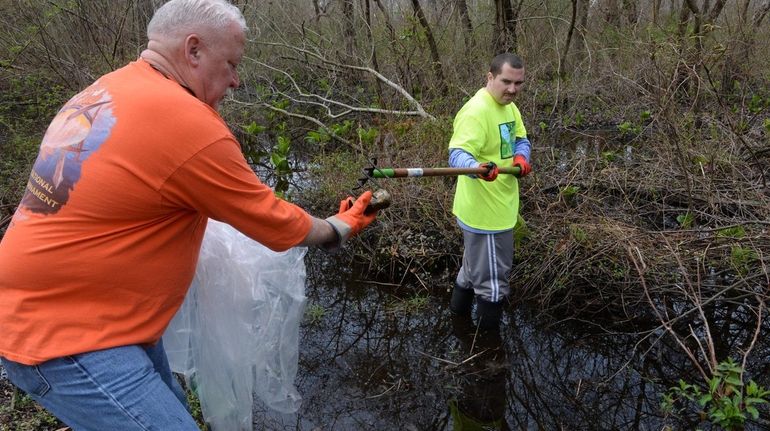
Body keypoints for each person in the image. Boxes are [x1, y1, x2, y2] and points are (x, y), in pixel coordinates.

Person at [0, 0, 376, 429]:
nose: (235, 81)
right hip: (68, 336)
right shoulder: (187, 121)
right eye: (231, 64)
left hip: (81, 313)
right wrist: (337, 228)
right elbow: (273, 223)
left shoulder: (107, 89)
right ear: (193, 50)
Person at [447, 52, 532, 331]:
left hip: (500, 207)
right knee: (493, 285)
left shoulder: (509, 106)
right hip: (486, 216)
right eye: (506, 81)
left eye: (518, 83)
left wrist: (522, 157)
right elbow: (457, 155)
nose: (512, 89)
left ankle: (457, 324)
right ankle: (488, 355)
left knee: (471, 273)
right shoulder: (476, 110)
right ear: (490, 77)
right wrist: (476, 167)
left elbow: (520, 138)